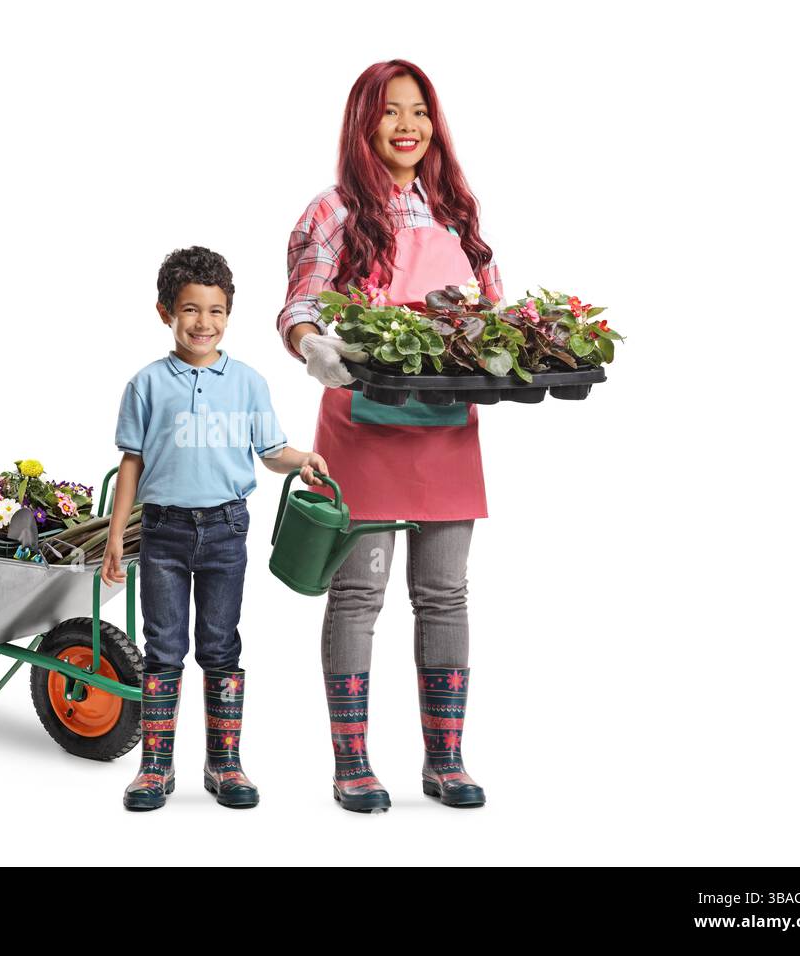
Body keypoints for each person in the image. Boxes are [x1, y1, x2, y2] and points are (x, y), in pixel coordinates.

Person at [277, 60, 504, 813]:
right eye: (391, 111)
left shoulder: (454, 211)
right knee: (357, 595)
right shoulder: (333, 210)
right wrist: (312, 344)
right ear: (364, 121)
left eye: (420, 112)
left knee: (444, 596)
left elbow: (494, 311)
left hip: (444, 429)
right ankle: (352, 764)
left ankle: (447, 760)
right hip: (361, 429)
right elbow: (298, 307)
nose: (408, 126)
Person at [102, 245, 327, 812]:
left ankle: (224, 762)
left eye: (216, 310)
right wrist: (113, 535)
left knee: (221, 645)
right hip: (162, 533)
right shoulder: (147, 385)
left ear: (229, 314)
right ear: (165, 313)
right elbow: (132, 461)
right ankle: (155, 767)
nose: (203, 322)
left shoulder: (248, 383)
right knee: (164, 646)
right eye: (190, 310)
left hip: (227, 529)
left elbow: (271, 451)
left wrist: (301, 459)